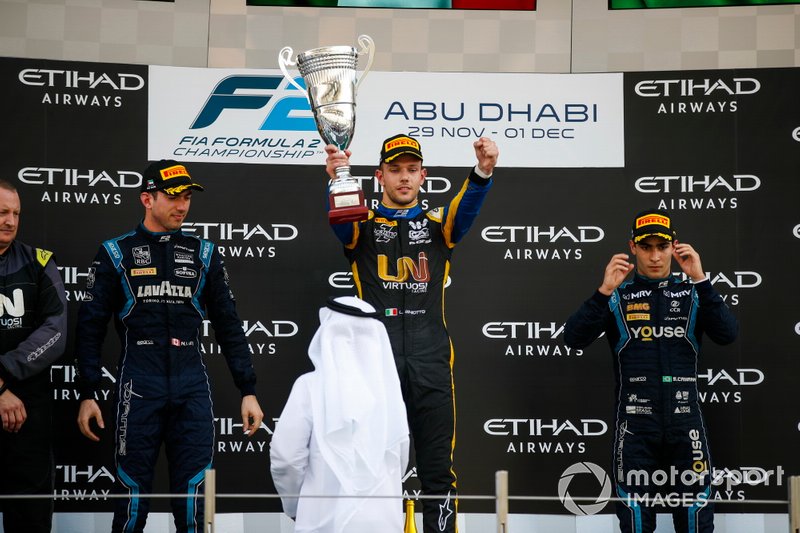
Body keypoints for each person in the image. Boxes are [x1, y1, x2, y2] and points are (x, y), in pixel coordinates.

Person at [74, 160, 264, 533]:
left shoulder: (203, 253)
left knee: (195, 500)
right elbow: (90, 327)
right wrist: (87, 391)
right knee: (131, 497)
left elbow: (228, 325)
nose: (182, 205)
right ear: (147, 198)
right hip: (138, 382)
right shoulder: (117, 252)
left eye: (187, 197)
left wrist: (248, 390)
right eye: (174, 196)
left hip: (191, 379)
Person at [324, 134, 498, 533]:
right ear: (379, 176)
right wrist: (337, 179)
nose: (404, 178)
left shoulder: (439, 226)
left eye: (411, 170)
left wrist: (483, 171)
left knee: (438, 471)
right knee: (370, 471)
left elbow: (466, 207)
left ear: (424, 176)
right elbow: (341, 224)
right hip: (375, 366)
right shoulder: (361, 225)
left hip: (431, 360)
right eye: (395, 170)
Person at [564, 209, 738, 533]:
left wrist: (701, 280)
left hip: (686, 425)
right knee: (635, 522)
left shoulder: (693, 294)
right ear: (633, 247)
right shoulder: (618, 295)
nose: (655, 256)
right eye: (646, 247)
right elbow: (572, 338)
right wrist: (602, 293)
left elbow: (728, 334)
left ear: (675, 246)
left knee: (696, 521)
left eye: (662, 246)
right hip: (634, 429)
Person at [270, 296, 410, 533]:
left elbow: (287, 457)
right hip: (385, 524)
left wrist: (296, 506)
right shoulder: (389, 394)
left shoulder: (309, 386)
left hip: (323, 523)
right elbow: (401, 457)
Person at [0, 179, 68, 533]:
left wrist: (4, 375)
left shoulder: (40, 263)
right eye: (2, 212)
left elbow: (55, 332)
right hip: (5, 396)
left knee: (30, 518)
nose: (10, 220)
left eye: (15, 213)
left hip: (28, 413)